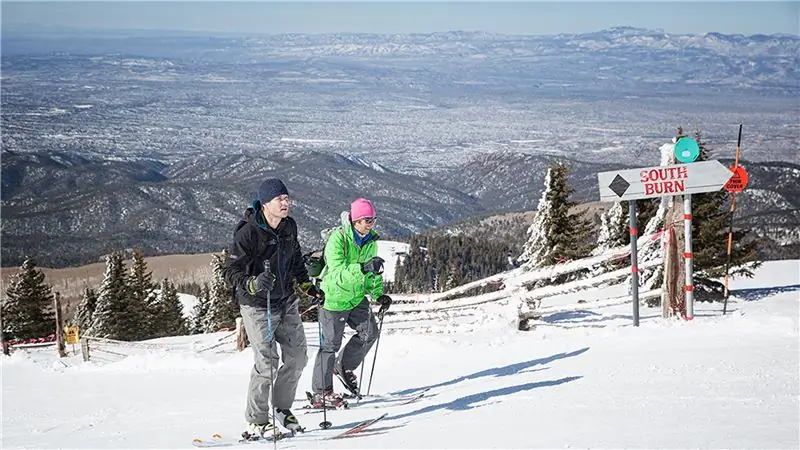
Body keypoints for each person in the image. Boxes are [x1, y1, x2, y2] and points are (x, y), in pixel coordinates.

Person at [223, 178, 322, 438]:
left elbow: (296, 260)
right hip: (257, 304)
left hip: (286, 300)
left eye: (287, 199)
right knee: (267, 361)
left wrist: (306, 286)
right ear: (265, 203)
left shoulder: (289, 227)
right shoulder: (248, 232)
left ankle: (282, 408)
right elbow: (230, 271)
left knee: (298, 356)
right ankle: (256, 419)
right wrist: (252, 284)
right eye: (280, 199)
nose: (285, 203)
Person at [309, 198, 392, 406]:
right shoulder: (338, 239)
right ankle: (321, 392)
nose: (369, 224)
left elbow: (372, 273)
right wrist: (363, 268)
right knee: (330, 345)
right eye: (365, 220)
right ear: (354, 220)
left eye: (372, 219)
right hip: (334, 299)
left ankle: (343, 367)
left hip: (355, 298)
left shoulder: (370, 242)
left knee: (370, 333)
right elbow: (336, 275)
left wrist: (377, 294)